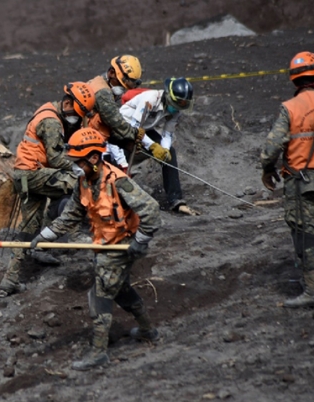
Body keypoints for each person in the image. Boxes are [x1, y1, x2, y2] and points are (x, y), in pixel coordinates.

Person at [31, 128, 161, 371]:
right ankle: (148, 330)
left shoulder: (118, 182)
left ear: (93, 158)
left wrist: (140, 241)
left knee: (99, 296)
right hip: (104, 246)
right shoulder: (84, 182)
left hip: (121, 246)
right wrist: (43, 236)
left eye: (77, 161)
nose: (74, 166)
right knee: (120, 290)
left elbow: (152, 211)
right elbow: (69, 216)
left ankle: (98, 353)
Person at [260, 51, 314, 309]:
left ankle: (312, 291)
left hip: (301, 182)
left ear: (295, 81)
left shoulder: (289, 108)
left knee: (305, 234)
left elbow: (271, 147)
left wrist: (267, 169)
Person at [0, 82, 96, 295]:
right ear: (67, 103)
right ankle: (76, 232)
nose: (77, 119)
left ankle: (10, 279)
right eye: (77, 114)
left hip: (28, 175)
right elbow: (55, 157)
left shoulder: (51, 110)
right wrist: (79, 166)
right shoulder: (51, 122)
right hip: (32, 174)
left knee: (28, 229)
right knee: (73, 182)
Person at [117, 77, 199, 215]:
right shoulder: (149, 99)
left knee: (170, 154)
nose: (178, 108)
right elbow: (135, 127)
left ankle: (176, 200)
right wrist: (154, 147)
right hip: (125, 125)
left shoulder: (176, 110)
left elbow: (168, 134)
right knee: (120, 160)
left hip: (145, 129)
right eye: (177, 103)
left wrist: (164, 150)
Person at [85, 55, 143, 145]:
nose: (122, 90)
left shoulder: (100, 82)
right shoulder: (102, 92)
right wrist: (135, 134)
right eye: (120, 85)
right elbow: (115, 121)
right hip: (83, 137)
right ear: (112, 73)